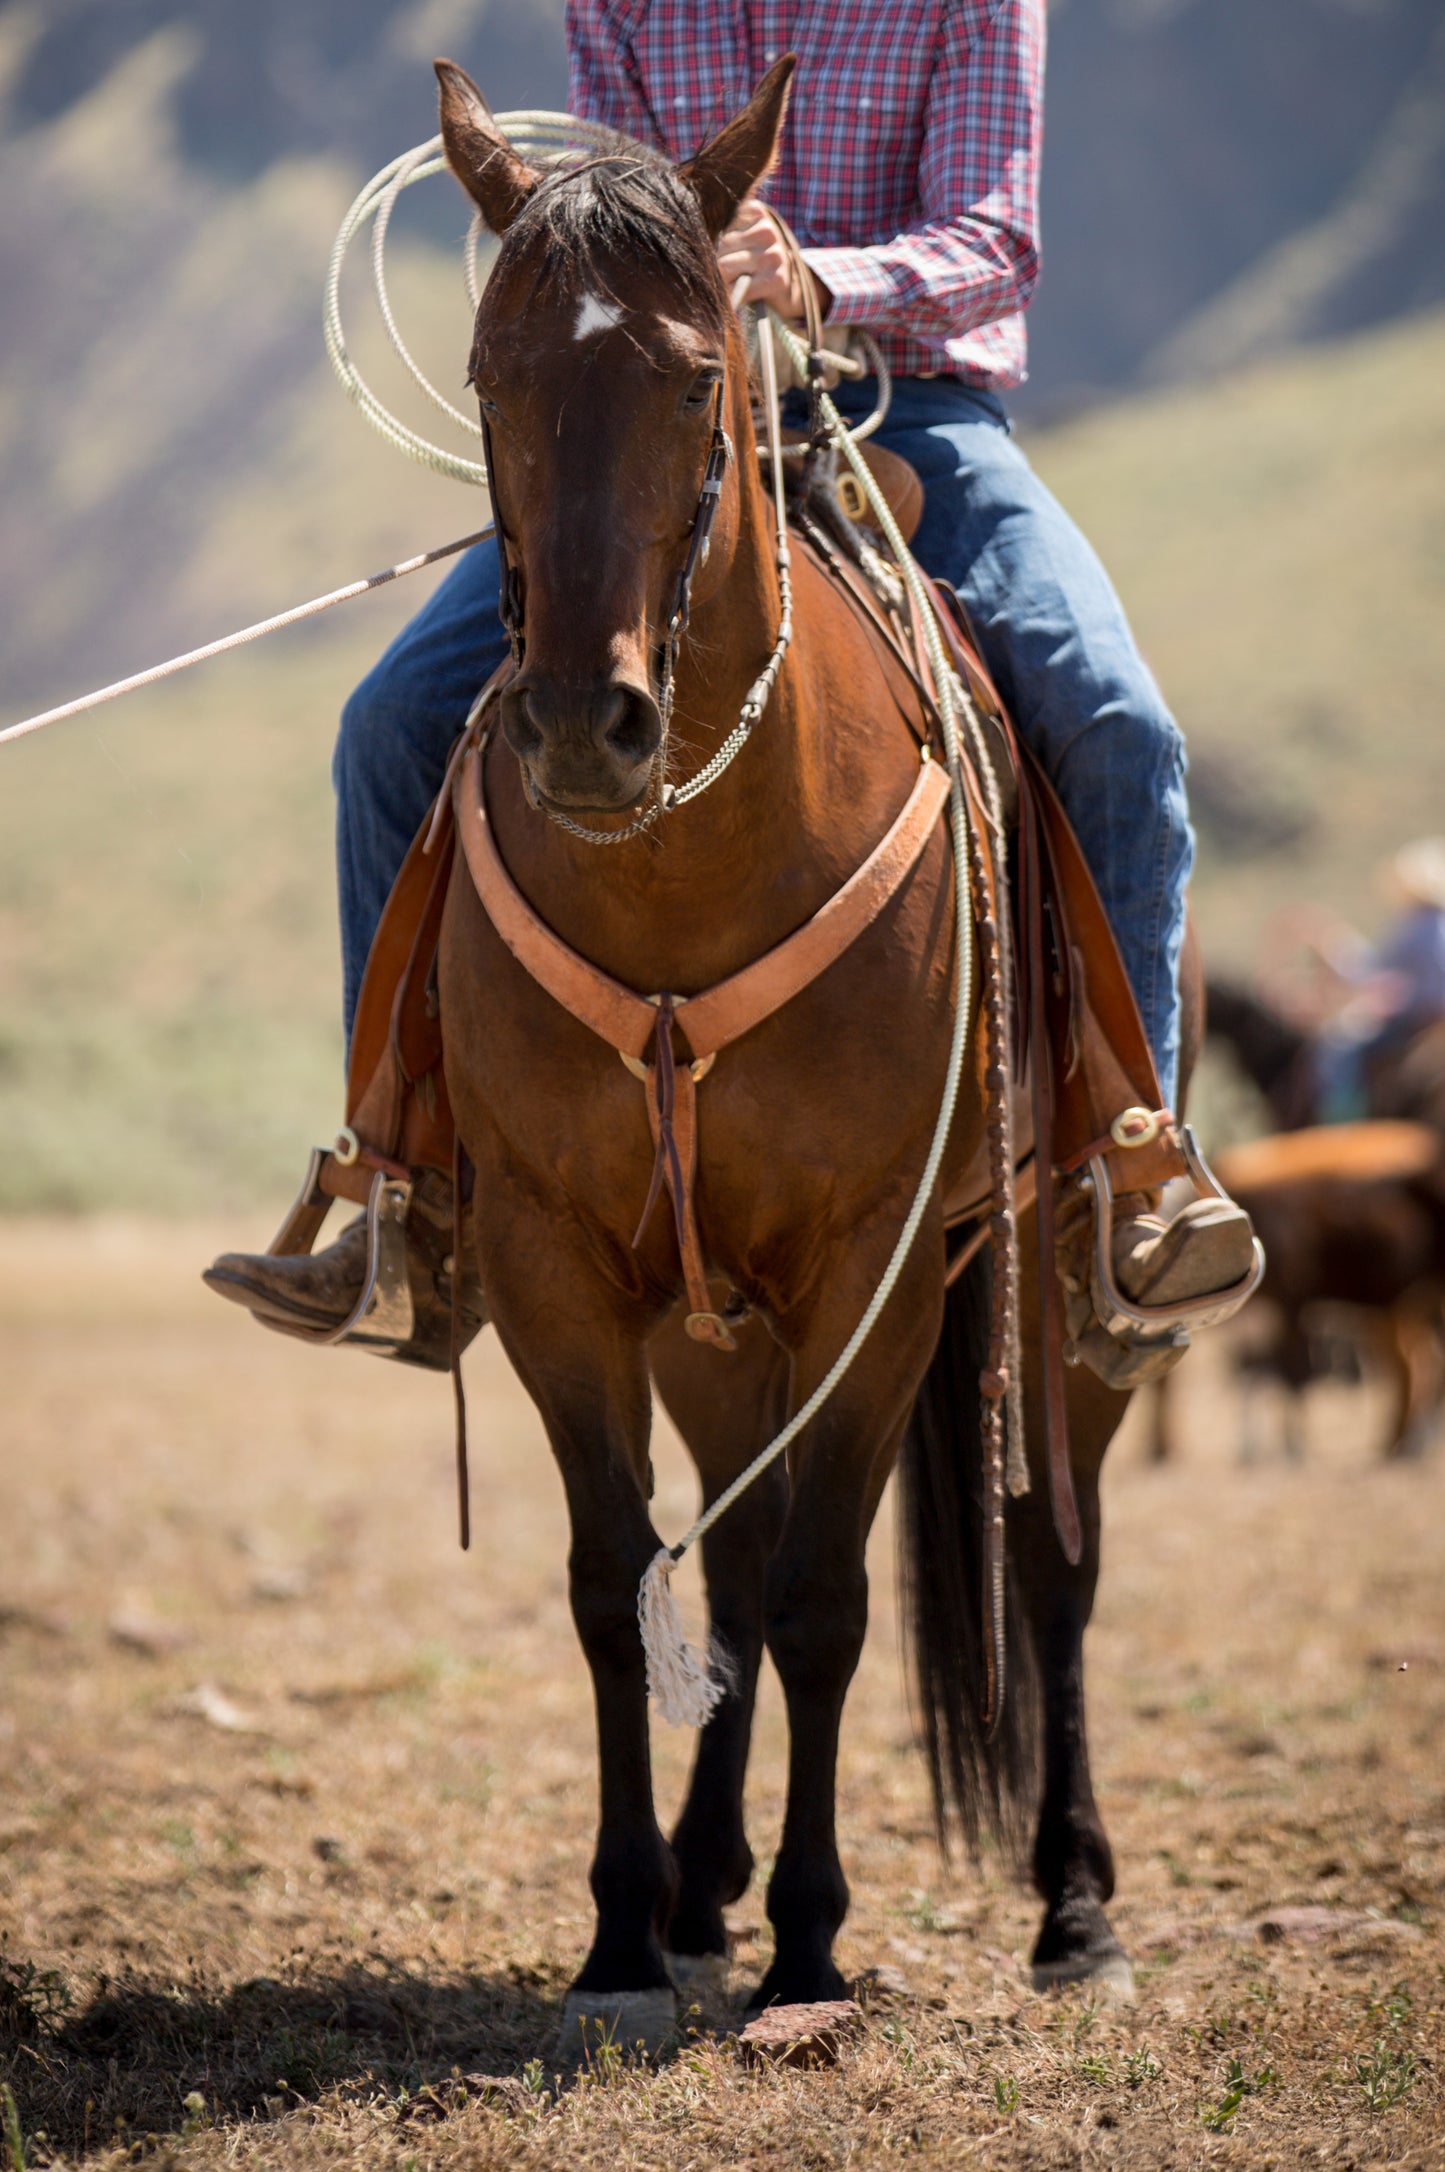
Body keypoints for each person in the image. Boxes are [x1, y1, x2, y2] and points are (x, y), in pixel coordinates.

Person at [206, 0, 1255, 1372]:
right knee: (389, 723)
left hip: (918, 410)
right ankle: (397, 1190)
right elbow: (615, 238)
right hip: (671, 415)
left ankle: (1128, 1168)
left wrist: (818, 278)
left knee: (1115, 723)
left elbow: (995, 248)